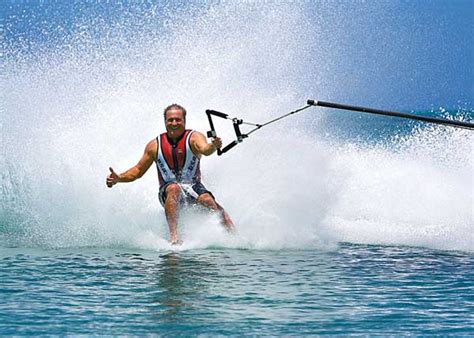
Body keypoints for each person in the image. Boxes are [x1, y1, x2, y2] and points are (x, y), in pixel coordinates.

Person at [106, 104, 235, 245]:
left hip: (193, 187)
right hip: (167, 190)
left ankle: (233, 237)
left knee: (208, 201)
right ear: (165, 122)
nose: (174, 123)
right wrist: (119, 178)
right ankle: (174, 239)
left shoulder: (194, 137)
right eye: (170, 120)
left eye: (178, 120)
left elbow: (205, 149)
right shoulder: (154, 145)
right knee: (174, 188)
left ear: (184, 121)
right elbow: (137, 171)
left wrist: (213, 145)